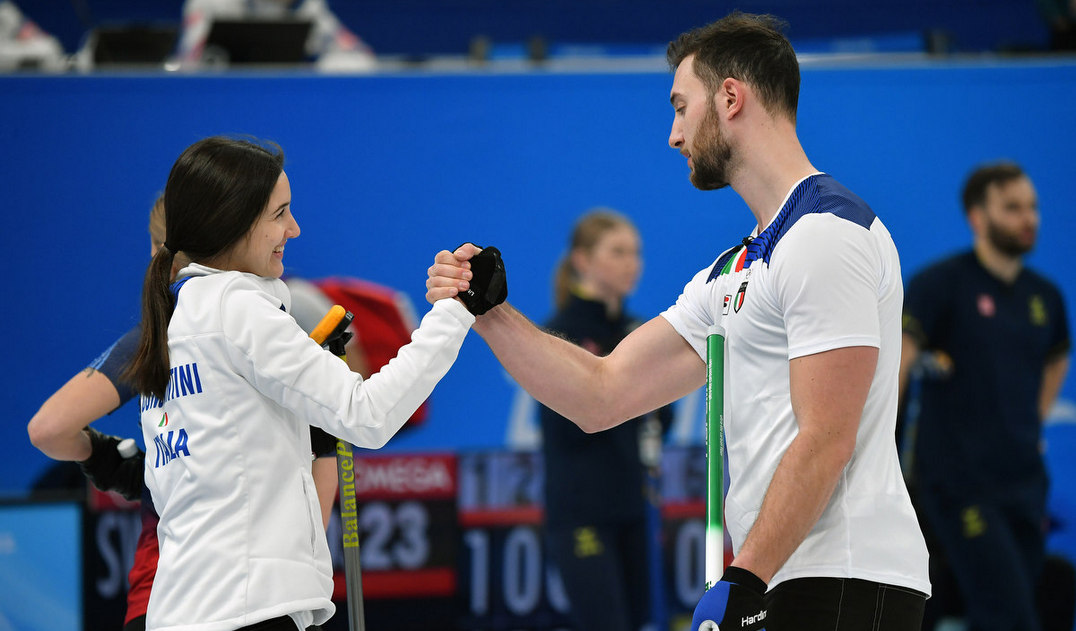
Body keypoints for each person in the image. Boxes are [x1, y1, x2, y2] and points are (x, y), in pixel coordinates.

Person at [427, 12, 929, 631]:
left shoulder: (827, 234)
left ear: (730, 98)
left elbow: (828, 436)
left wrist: (743, 578)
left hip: (844, 575)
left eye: (680, 107)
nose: (673, 134)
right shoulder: (732, 270)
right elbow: (601, 394)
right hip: (779, 578)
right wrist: (490, 313)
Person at [124, 135, 483, 631]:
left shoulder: (176, 320)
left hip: (184, 610)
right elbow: (369, 415)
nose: (294, 229)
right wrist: (456, 312)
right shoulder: (235, 307)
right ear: (234, 219)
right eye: (280, 213)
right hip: (246, 611)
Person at [26, 196, 345, 630]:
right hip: (252, 600)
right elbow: (311, 507)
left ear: (159, 252)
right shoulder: (257, 329)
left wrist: (111, 462)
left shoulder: (160, 335)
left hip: (163, 600)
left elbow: (49, 429)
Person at [900, 162, 1071, 631]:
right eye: (1012, 207)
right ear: (978, 217)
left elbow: (1058, 356)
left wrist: (1034, 423)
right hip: (959, 484)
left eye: (1032, 207)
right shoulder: (940, 286)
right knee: (1008, 615)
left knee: (1027, 599)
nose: (1028, 218)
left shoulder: (1045, 298)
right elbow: (899, 361)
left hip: (1023, 482)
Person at [538, 209, 670, 631]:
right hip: (582, 513)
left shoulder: (640, 331)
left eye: (636, 252)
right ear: (582, 260)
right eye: (617, 252)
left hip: (634, 507)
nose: (632, 263)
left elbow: (664, 414)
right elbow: (566, 424)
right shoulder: (558, 334)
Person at [176, 0, 376, 71]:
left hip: (277, 103)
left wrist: (323, 68)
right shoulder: (210, 3)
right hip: (218, 102)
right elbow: (188, 65)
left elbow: (361, 56)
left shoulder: (309, 8)